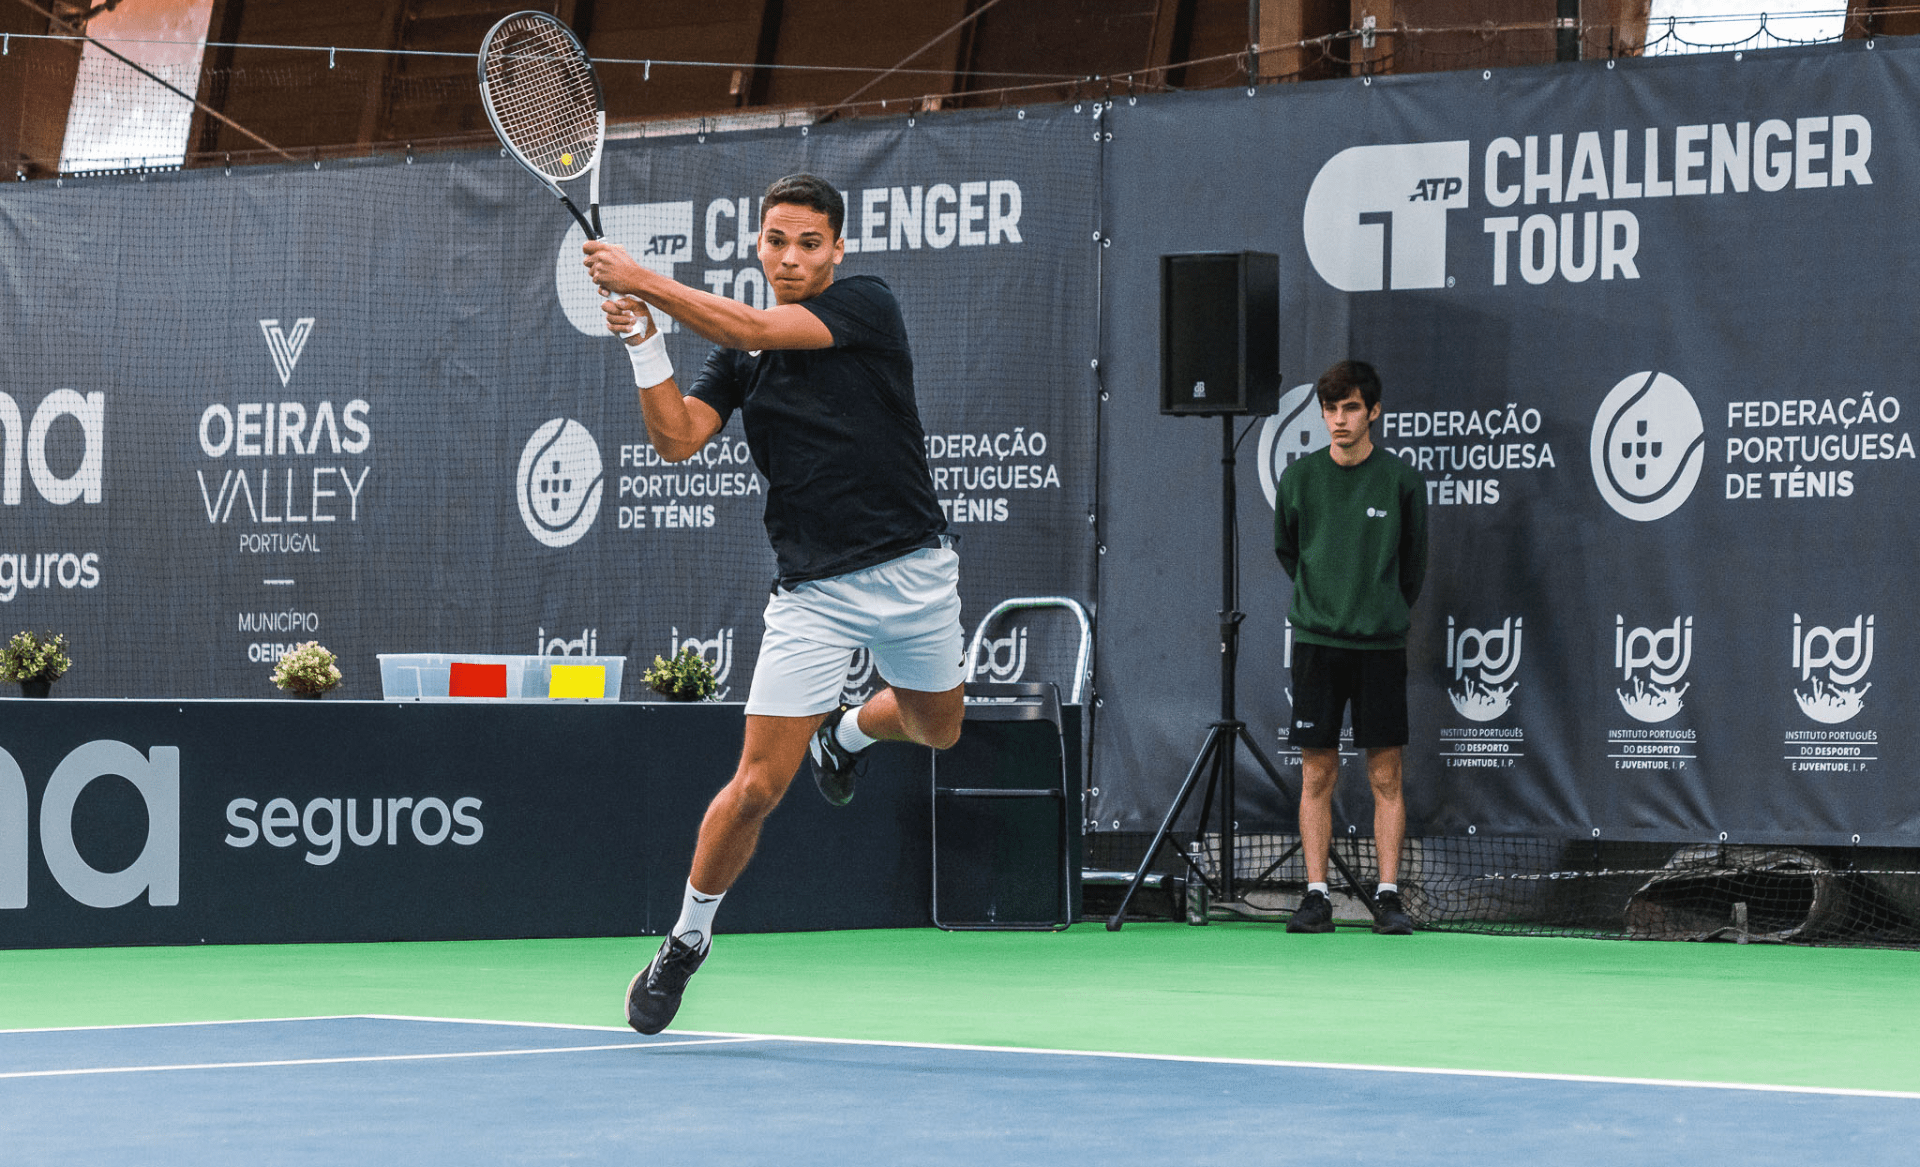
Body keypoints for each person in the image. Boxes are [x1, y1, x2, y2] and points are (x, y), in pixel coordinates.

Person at [582, 174, 965, 1033]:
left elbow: (755, 322)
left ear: (837, 251)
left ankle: (851, 731)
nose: (790, 257)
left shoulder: (867, 306)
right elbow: (678, 439)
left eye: (808, 243)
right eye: (776, 240)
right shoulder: (740, 361)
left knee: (940, 727)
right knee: (756, 784)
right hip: (814, 593)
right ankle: (685, 940)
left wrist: (642, 279)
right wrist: (645, 344)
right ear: (757, 245)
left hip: (913, 572)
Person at [1273, 360, 1427, 936]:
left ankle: (1388, 897)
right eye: (1331, 409)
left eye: (1351, 408)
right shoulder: (1300, 480)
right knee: (1318, 772)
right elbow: (1289, 552)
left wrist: (1377, 610)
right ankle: (1316, 897)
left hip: (1380, 646)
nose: (1339, 419)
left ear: (1374, 412)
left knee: (1386, 775)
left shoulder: (1403, 482)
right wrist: (1326, 601)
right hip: (1316, 644)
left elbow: (1412, 569)